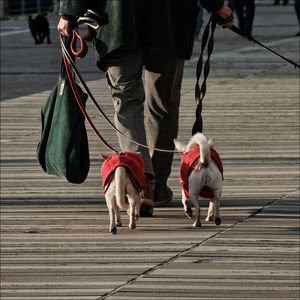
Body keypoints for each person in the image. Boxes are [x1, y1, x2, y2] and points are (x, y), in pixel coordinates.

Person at [57, 0, 233, 216]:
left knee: (126, 102)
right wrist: (217, 7)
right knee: (163, 104)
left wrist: (68, 12)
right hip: (169, 22)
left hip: (118, 20)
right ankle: (157, 185)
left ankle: (142, 183)